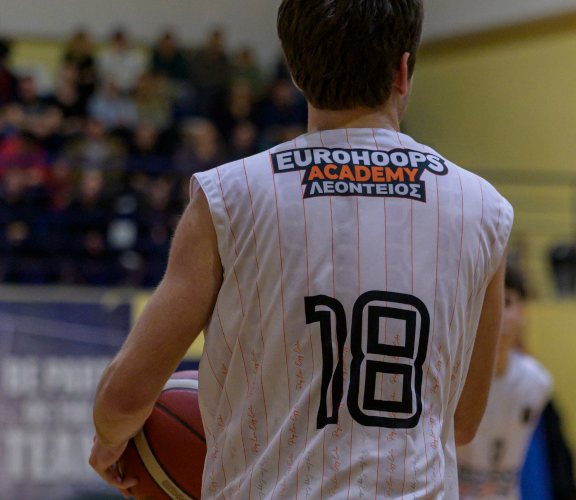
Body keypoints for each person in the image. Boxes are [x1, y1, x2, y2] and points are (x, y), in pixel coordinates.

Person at [89, 3, 514, 500]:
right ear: (403, 71)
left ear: (295, 72)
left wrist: (111, 439)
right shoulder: (483, 207)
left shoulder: (229, 196)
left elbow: (123, 400)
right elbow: (462, 423)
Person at [457, 260, 552, 500]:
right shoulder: (453, 377)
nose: (496, 313)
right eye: (486, 303)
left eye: (506, 303)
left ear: (523, 311)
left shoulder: (537, 382)